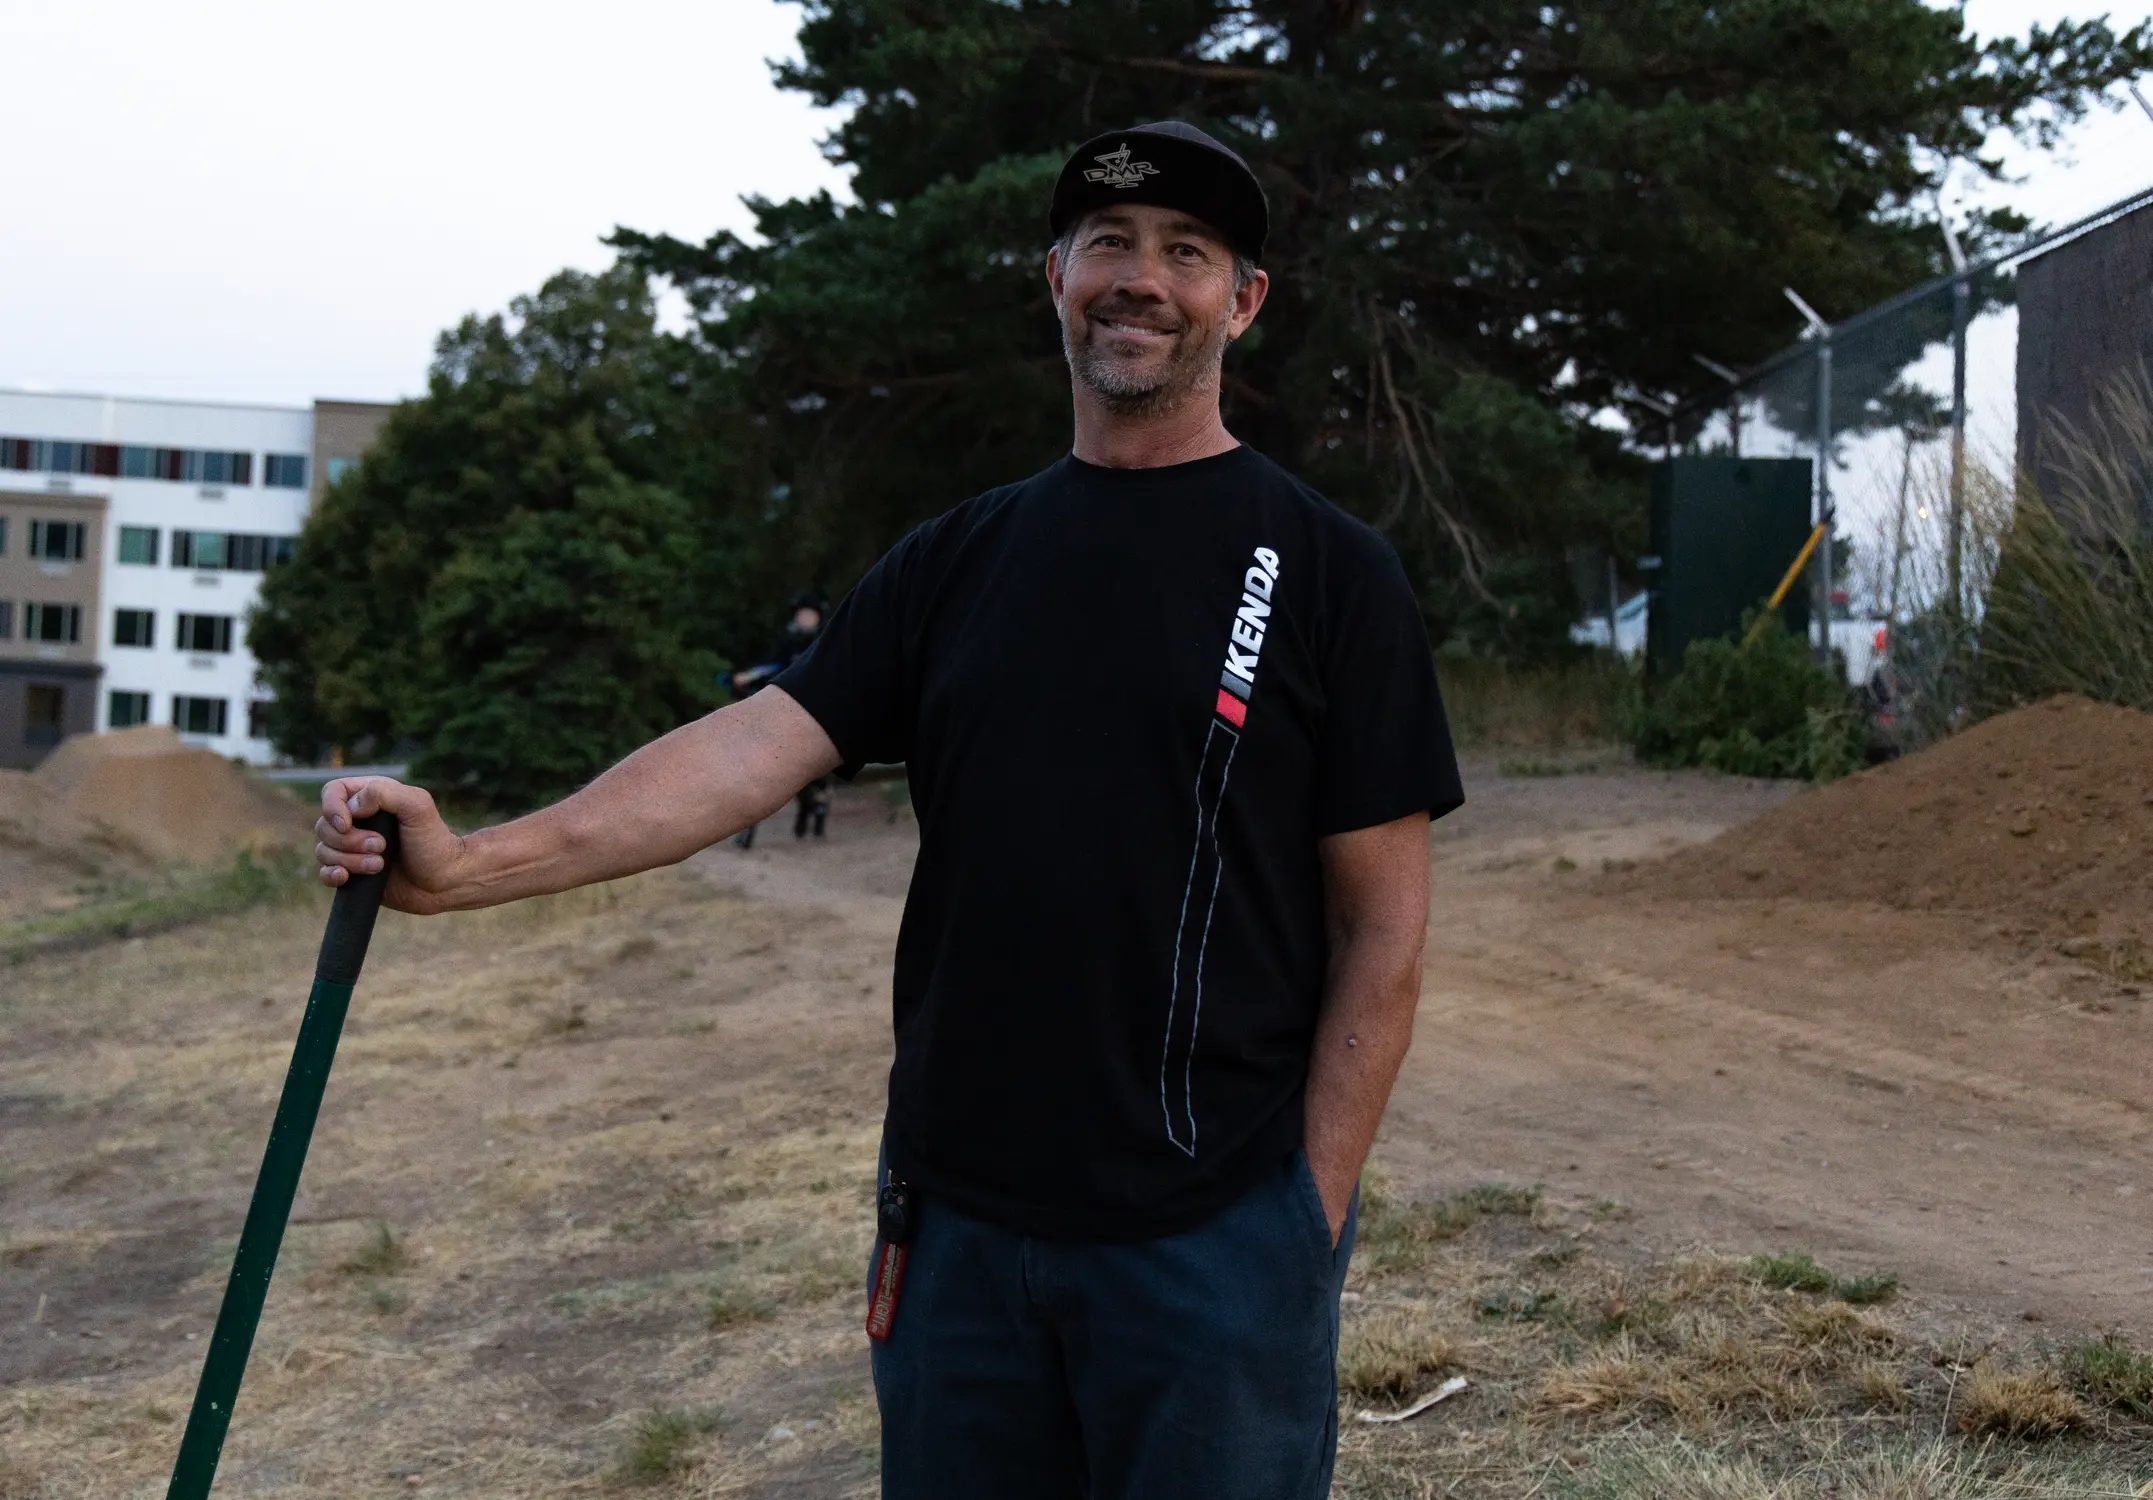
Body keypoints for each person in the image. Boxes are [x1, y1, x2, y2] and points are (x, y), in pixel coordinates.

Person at [316, 119, 1461, 1499]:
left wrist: (1303, 1222)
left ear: (1243, 299)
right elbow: (743, 753)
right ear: (1054, 278)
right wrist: (465, 864)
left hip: (1212, 1243)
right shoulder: (956, 563)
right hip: (960, 1237)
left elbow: (1382, 936)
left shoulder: (1333, 576)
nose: (1140, 279)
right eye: (1108, 244)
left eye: (1186, 253)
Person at [725, 595, 833, 844]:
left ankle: (815, 811)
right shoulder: (788, 642)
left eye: (809, 613)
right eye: (801, 613)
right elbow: (771, 666)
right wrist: (746, 677)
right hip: (786, 711)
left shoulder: (827, 643)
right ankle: (748, 825)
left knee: (815, 775)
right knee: (761, 766)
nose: (804, 618)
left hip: (818, 714)